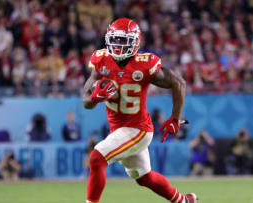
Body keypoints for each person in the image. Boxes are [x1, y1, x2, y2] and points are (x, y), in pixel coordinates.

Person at [82, 18, 197, 203]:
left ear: (135, 42)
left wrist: (176, 118)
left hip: (138, 129)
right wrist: (95, 98)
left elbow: (179, 83)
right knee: (144, 178)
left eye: (123, 40)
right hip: (120, 130)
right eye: (115, 39)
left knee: (96, 158)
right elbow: (85, 101)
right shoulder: (101, 60)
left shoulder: (144, 64)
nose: (118, 44)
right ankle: (183, 200)